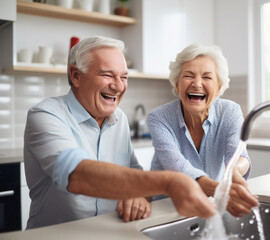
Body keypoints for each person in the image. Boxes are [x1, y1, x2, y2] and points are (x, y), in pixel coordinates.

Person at [23, 36, 215, 229]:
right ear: (75, 75)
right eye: (107, 75)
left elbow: (134, 173)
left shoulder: (119, 119)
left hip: (110, 231)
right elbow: (76, 174)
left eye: (123, 77)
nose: (118, 86)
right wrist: (168, 182)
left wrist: (138, 194)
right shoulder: (46, 114)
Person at [147, 43, 259, 217]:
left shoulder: (230, 112)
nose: (197, 84)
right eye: (188, 76)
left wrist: (233, 173)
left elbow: (238, 155)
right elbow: (177, 166)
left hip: (209, 204)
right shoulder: (159, 118)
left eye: (207, 77)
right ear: (177, 85)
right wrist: (218, 189)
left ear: (219, 88)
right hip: (166, 209)